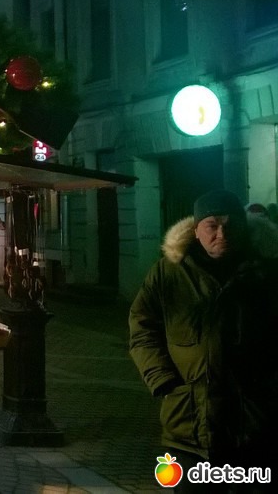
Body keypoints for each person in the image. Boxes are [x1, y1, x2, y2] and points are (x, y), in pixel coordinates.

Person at [129, 190, 278, 489]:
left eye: (230, 225)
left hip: (254, 424)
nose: (221, 234)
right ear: (196, 230)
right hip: (189, 424)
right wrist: (161, 378)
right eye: (212, 225)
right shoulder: (169, 273)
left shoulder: (267, 271)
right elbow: (142, 326)